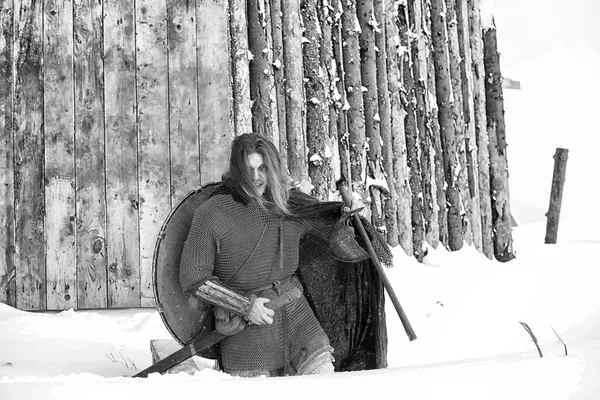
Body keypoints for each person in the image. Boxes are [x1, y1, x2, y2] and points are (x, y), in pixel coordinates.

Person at [179, 133, 364, 377]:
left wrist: (348, 219)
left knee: (323, 382)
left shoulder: (289, 203)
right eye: (249, 169)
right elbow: (193, 278)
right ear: (237, 170)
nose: (256, 177)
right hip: (249, 329)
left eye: (262, 168)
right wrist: (244, 306)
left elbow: (333, 232)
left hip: (298, 316)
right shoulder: (212, 213)